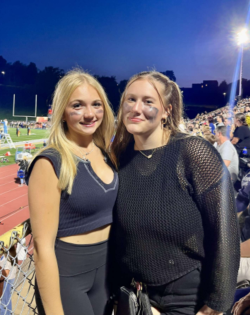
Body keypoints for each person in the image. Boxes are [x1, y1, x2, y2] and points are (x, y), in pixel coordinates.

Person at [111, 71, 240, 315]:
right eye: (131, 99)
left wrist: (217, 303)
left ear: (167, 111)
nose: (136, 108)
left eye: (148, 101)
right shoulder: (120, 157)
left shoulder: (192, 152)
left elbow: (224, 230)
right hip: (134, 295)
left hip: (185, 298)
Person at [26, 70, 118, 315]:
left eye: (96, 105)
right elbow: (42, 245)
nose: (89, 114)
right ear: (63, 113)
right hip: (68, 273)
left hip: (106, 268)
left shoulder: (106, 153)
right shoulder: (50, 162)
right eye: (77, 105)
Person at [0, 247, 18, 315]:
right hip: (10, 279)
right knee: (6, 300)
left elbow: (6, 273)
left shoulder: (5, 259)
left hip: (6, 281)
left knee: (3, 303)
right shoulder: (11, 255)